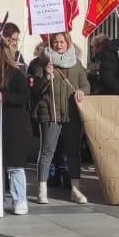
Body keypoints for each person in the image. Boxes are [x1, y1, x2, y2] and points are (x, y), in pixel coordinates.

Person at [28, 33, 88, 205]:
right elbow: (36, 89)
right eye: (55, 42)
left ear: (68, 42)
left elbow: (85, 84)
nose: (59, 45)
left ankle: (75, 189)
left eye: (62, 42)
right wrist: (47, 76)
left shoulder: (76, 63)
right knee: (47, 151)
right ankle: (42, 189)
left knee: (73, 152)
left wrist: (82, 92)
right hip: (50, 112)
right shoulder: (41, 63)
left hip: (71, 113)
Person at [0, 24, 35, 213]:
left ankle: (20, 199)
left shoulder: (15, 73)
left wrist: (5, 97)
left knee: (15, 164)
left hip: (12, 123)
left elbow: (25, 96)